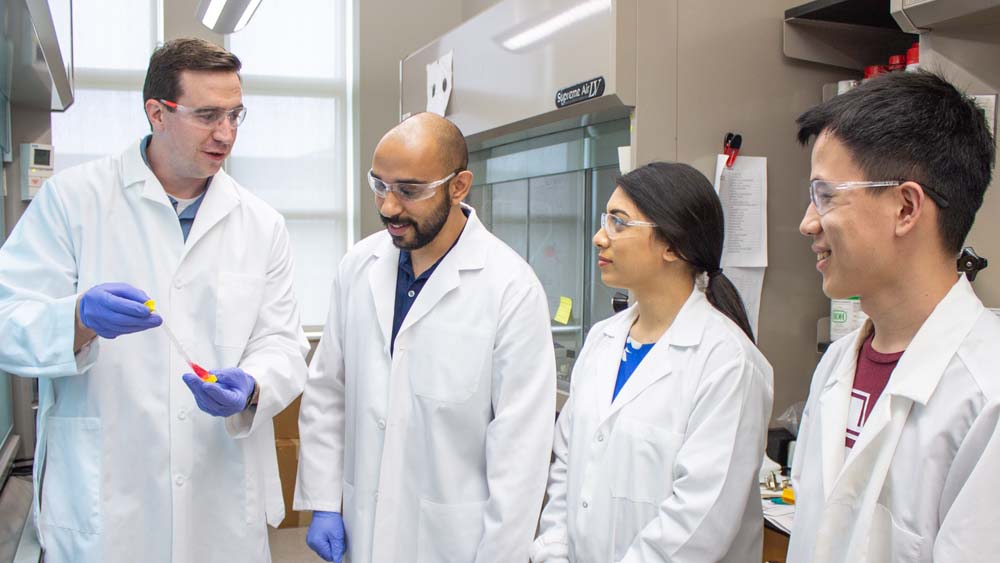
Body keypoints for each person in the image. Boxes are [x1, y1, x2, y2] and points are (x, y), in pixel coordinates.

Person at [0, 38, 308, 562]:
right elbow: (8, 319)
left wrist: (254, 384)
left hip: (220, 499)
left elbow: (282, 341)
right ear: (157, 113)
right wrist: (76, 319)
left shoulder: (261, 223)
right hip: (109, 502)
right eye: (207, 115)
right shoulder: (74, 201)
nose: (226, 133)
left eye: (236, 115)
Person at [295, 112, 557, 563]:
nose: (389, 207)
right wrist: (323, 501)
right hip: (364, 526)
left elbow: (521, 451)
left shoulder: (510, 287)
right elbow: (327, 392)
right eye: (380, 185)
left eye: (410, 190)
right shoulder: (358, 267)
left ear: (459, 186)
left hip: (454, 542)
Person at [788, 70, 998, 562]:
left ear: (906, 207)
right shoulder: (838, 363)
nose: (807, 222)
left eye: (825, 195)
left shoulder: (986, 396)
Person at [531, 162, 774, 562]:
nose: (599, 237)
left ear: (673, 246)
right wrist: (553, 551)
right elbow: (566, 472)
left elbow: (699, 521)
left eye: (619, 223)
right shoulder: (601, 342)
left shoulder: (727, 362)